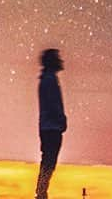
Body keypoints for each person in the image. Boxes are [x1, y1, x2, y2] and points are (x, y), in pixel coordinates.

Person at [36, 48, 67, 199]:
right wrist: (61, 119)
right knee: (49, 161)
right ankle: (41, 192)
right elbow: (53, 103)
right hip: (51, 127)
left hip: (48, 126)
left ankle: (41, 191)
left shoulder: (46, 79)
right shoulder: (49, 79)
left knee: (48, 160)